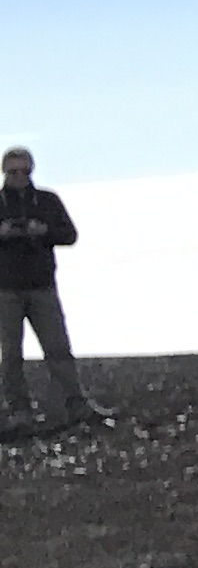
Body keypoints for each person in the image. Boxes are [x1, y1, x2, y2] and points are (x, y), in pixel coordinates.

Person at [0, 147, 97, 429]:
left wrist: (43, 232)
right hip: (5, 290)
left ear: (32, 170)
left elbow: (70, 235)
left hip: (42, 287)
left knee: (58, 348)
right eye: (13, 171)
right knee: (10, 354)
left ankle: (75, 404)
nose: (19, 176)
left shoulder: (47, 200)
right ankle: (19, 411)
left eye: (24, 171)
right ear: (4, 172)